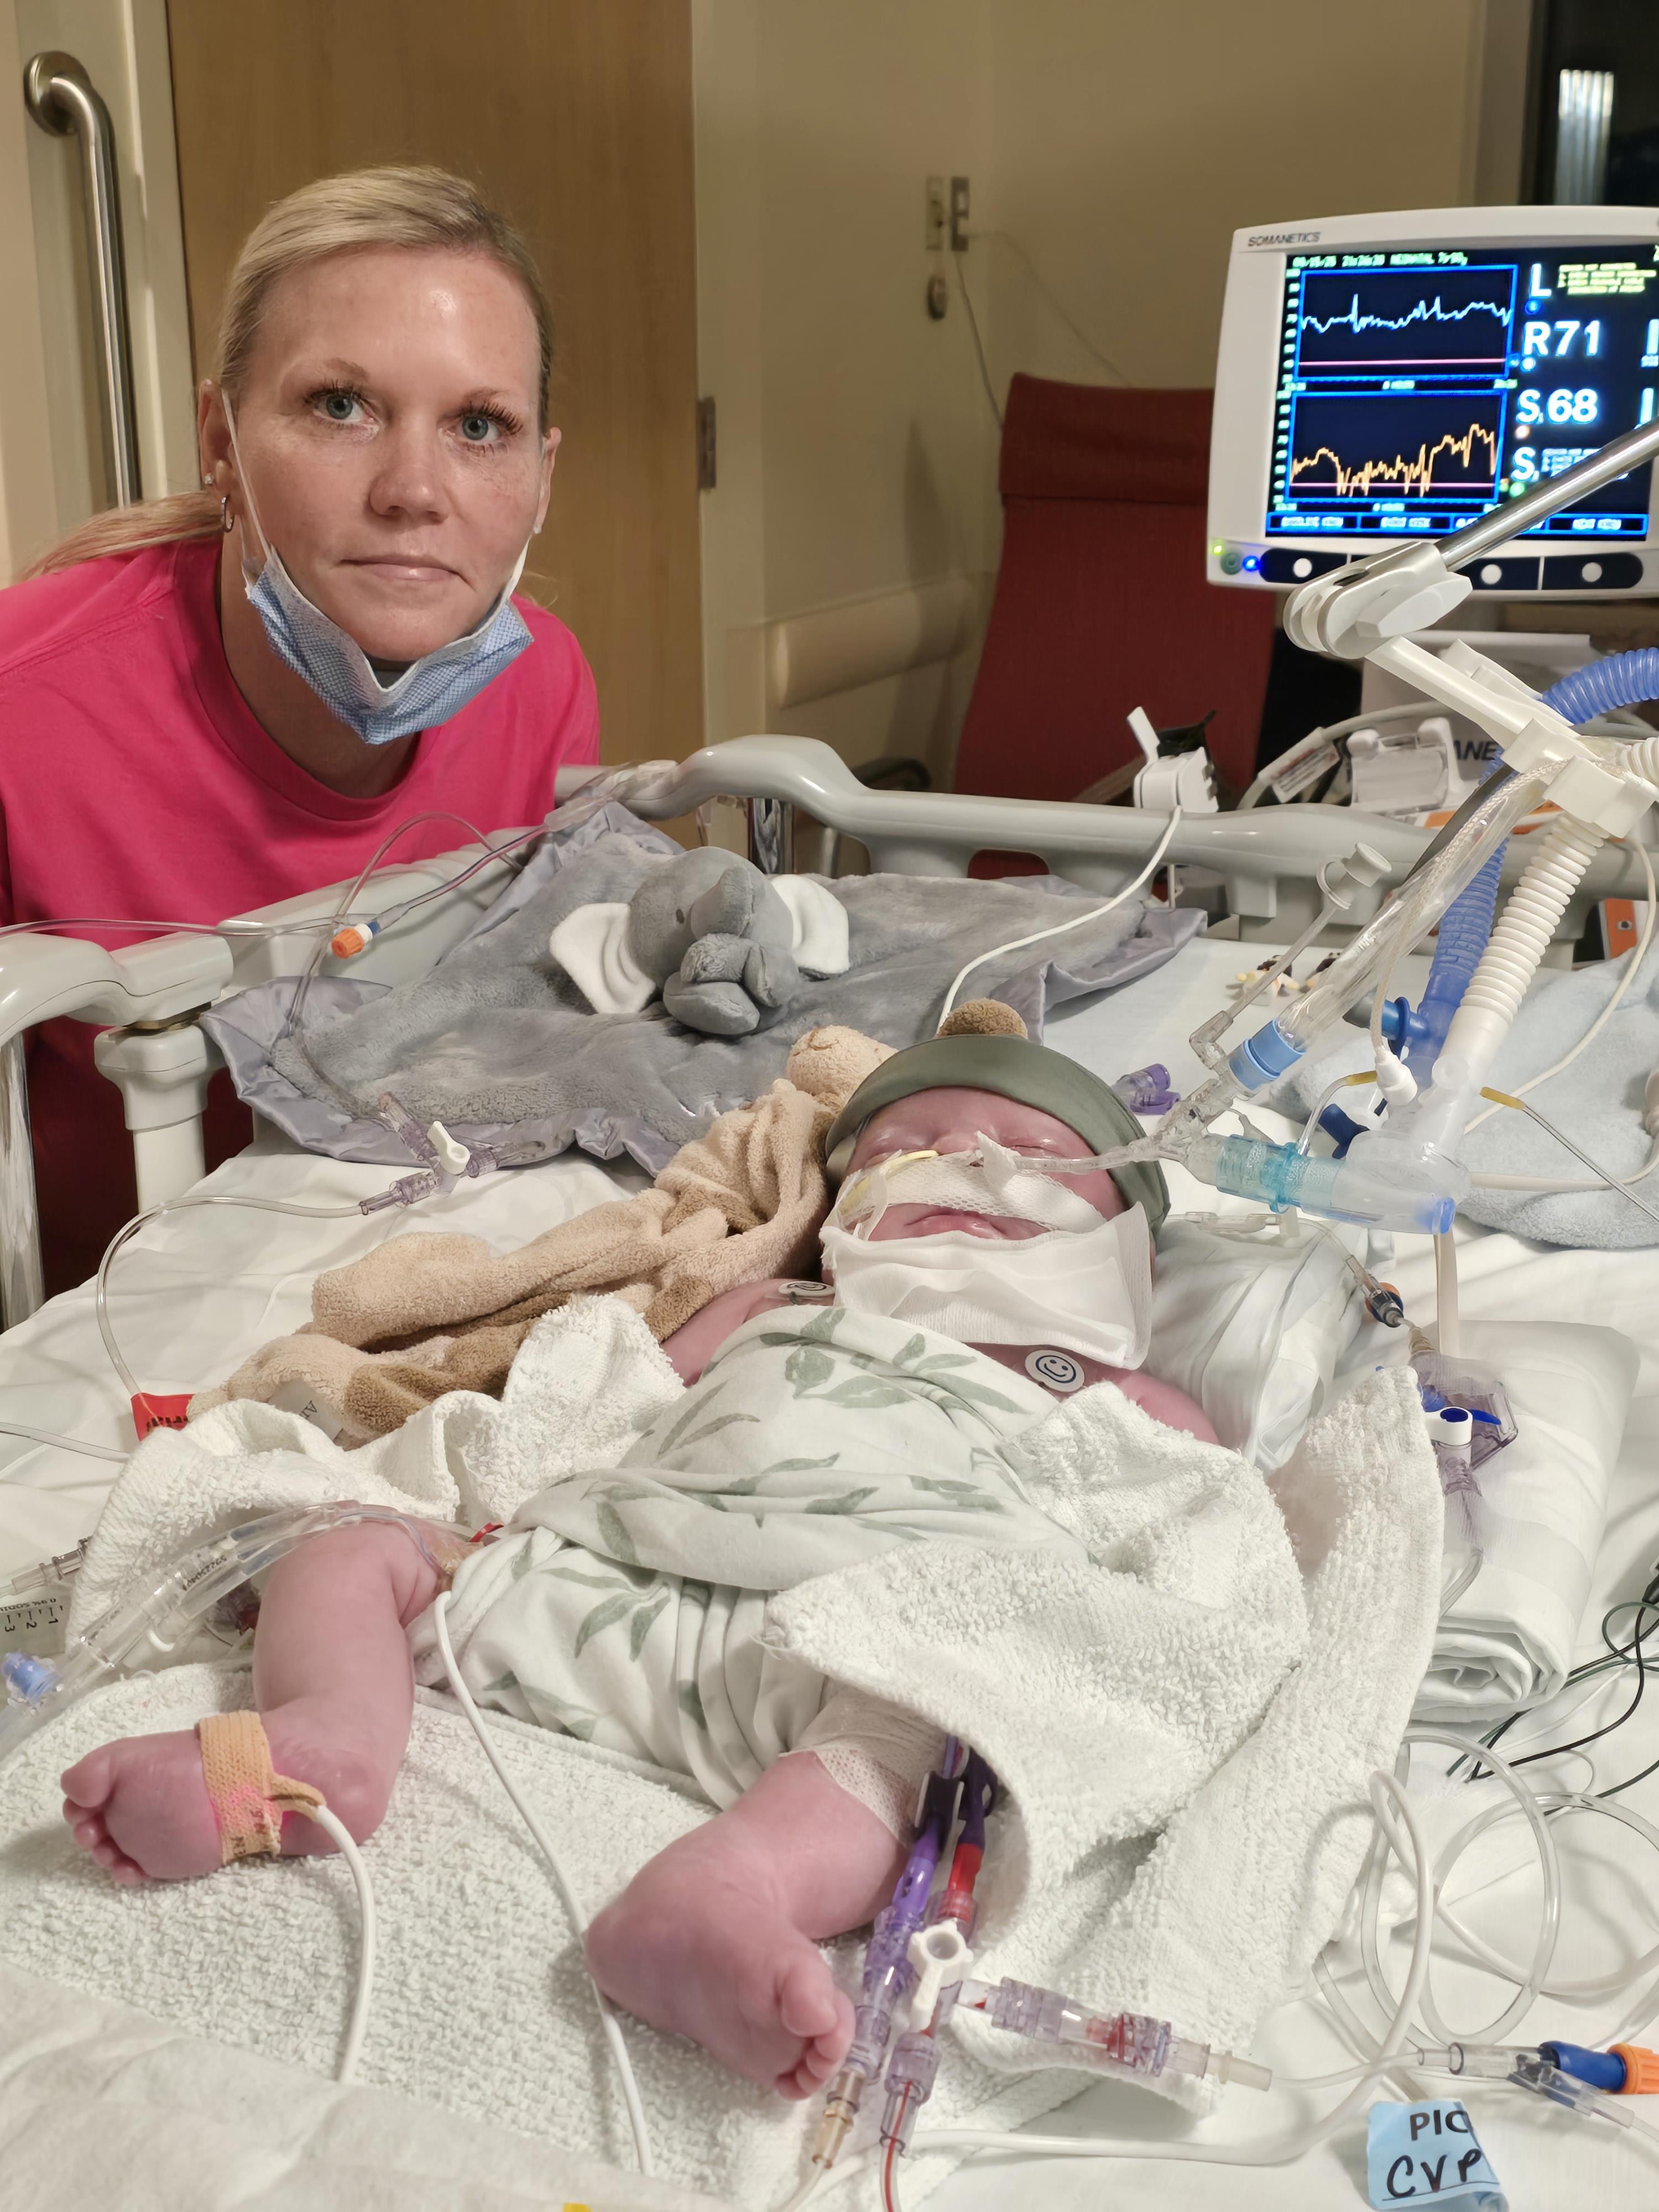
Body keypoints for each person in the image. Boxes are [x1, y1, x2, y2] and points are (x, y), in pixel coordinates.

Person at [59, 1018, 1215, 2099]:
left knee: (926, 1732)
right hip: (599, 1570)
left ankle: (727, 1888)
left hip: (846, 1640)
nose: (963, 1162)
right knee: (349, 1536)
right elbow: (612, 1400)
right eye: (905, 1151)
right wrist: (508, 1490)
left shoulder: (1126, 1392)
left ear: (1122, 1244)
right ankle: (328, 1739)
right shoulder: (778, 1302)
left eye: (1026, 1155)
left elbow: (1179, 1561)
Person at [0, 166, 598, 1292]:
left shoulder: (544, 689)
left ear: (541, 474)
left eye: (480, 425)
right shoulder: (20, 710)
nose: (413, 490)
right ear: (220, 440)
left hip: (399, 1290)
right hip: (100, 1351)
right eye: (340, 406)